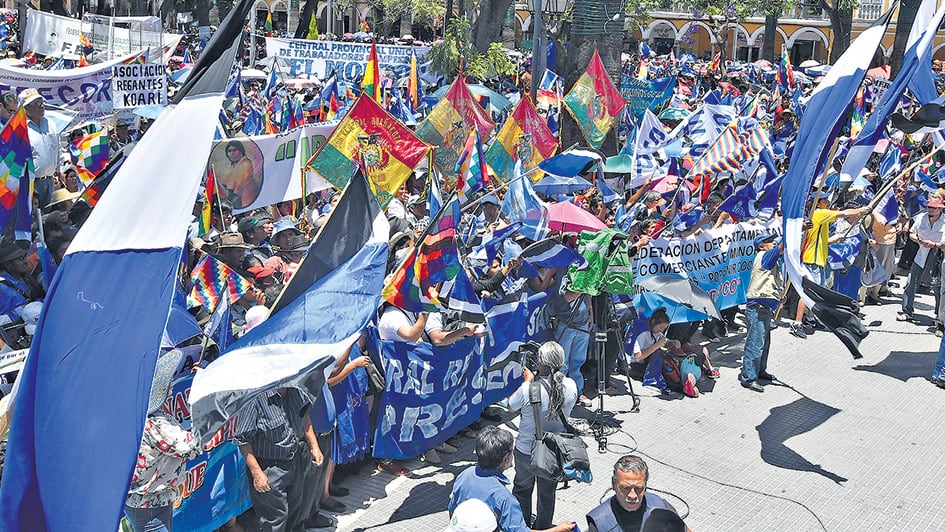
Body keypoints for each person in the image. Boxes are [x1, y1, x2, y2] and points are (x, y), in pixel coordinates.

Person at [124, 349, 203, 532]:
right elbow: (193, 447)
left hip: (136, 500)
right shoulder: (156, 423)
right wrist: (202, 393)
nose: (171, 387)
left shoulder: (132, 415)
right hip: (150, 504)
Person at [449, 425, 575, 532]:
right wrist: (558, 529)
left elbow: (452, 511)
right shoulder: (504, 499)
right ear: (505, 460)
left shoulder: (464, 475)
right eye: (511, 451)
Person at [508, 342, 578, 529]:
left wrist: (527, 382)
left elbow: (511, 405)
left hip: (526, 450)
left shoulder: (528, 389)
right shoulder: (571, 386)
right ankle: (544, 528)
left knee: (522, 489)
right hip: (553, 451)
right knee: (547, 494)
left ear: (540, 362)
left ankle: (522, 526)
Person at [236, 386, 324, 532]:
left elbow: (304, 417)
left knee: (296, 511)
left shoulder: (295, 390)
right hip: (269, 467)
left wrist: (314, 446)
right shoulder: (255, 399)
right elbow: (242, 440)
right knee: (275, 519)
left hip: (295, 460)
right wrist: (257, 473)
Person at [792, 192, 869, 338]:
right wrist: (861, 210)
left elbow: (820, 240)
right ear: (818, 202)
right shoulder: (819, 213)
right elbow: (844, 213)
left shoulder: (822, 216)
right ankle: (797, 323)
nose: (828, 202)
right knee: (809, 293)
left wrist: (834, 240)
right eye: (825, 200)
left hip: (819, 259)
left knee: (818, 292)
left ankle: (810, 318)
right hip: (812, 259)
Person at [586, 455, 688, 532]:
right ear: (613, 484)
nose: (633, 495)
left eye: (638, 488)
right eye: (625, 488)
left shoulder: (661, 507)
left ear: (645, 485)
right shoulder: (600, 522)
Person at [740, 234, 783, 393]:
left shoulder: (769, 259)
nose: (773, 243)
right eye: (769, 241)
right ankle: (748, 377)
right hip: (758, 308)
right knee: (755, 344)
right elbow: (782, 246)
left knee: (763, 343)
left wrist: (779, 295)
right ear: (761, 246)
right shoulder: (765, 256)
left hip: (765, 308)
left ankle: (759, 370)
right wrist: (798, 228)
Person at [900, 196, 945, 323]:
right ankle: (907, 310)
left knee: (937, 287)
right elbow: (912, 233)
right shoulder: (921, 217)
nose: (930, 209)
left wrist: (934, 244)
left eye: (933, 207)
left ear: (940, 209)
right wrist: (918, 240)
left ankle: (939, 315)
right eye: (929, 207)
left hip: (938, 257)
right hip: (921, 255)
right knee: (911, 282)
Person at [21, 88, 58, 210]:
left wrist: (57, 172)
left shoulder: (50, 124)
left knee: (48, 215)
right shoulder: (21, 129)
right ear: (26, 109)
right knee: (33, 215)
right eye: (36, 104)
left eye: (41, 102)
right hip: (31, 182)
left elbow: (56, 149)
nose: (41, 106)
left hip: (50, 180)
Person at [219, 140, 261, 209]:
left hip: (245, 198)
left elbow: (239, 186)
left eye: (234, 150)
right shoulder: (234, 165)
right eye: (229, 151)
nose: (232, 153)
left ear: (241, 151)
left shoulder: (246, 163)